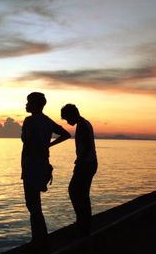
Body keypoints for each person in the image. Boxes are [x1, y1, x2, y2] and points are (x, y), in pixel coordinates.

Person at [21, 92, 70, 249]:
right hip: (42, 165)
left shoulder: (29, 121)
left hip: (31, 166)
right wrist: (48, 145)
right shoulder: (47, 121)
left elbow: (26, 139)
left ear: (35, 104)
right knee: (36, 204)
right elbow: (66, 134)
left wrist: (41, 143)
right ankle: (40, 238)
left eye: (28, 102)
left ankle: (40, 240)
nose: (26, 105)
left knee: (32, 204)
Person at [61, 104, 98, 236]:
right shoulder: (84, 123)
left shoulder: (82, 125)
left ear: (73, 114)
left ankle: (83, 222)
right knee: (82, 193)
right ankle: (84, 222)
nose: (67, 122)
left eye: (67, 118)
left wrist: (79, 160)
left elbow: (87, 145)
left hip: (86, 164)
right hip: (89, 163)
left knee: (74, 191)